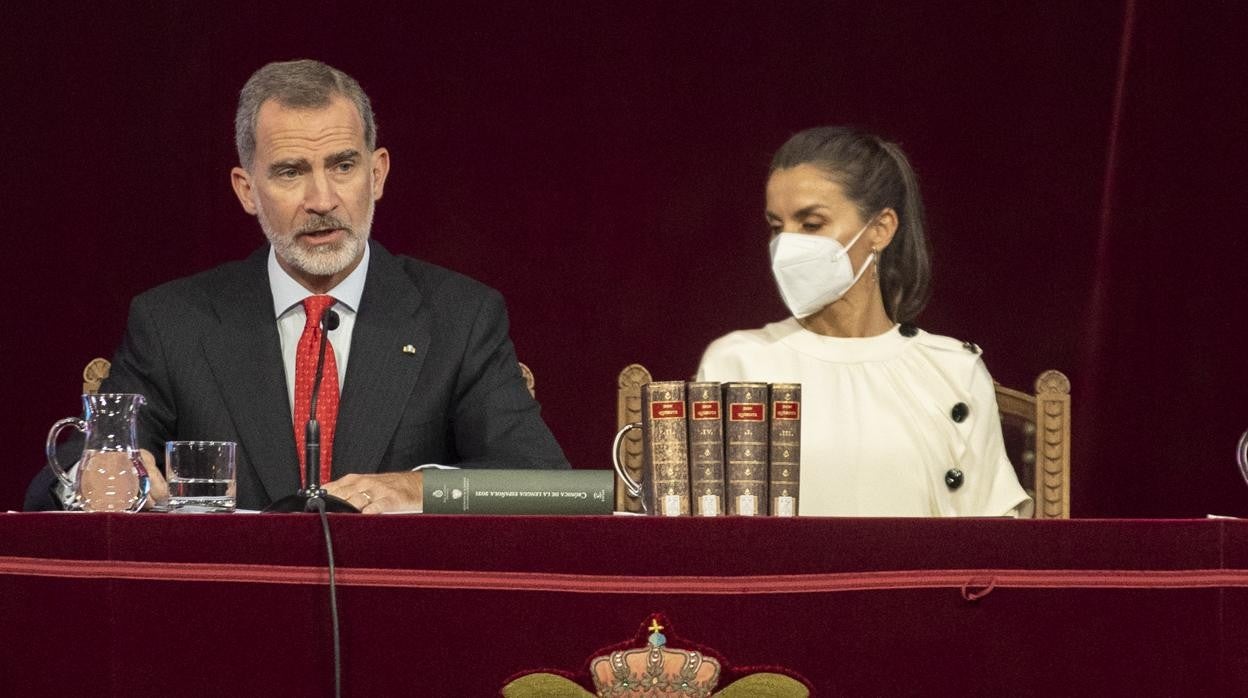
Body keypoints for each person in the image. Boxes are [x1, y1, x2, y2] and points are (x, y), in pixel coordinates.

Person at [27, 59, 568, 512]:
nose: (322, 198)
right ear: (247, 189)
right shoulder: (173, 324)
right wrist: (94, 477)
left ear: (376, 175)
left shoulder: (460, 317)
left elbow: (547, 484)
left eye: (343, 166)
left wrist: (417, 487)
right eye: (290, 172)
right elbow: (61, 485)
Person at [696, 126, 1031, 517]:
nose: (786, 246)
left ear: (880, 229)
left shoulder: (954, 370)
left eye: (811, 224)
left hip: (916, 580)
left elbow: (990, 536)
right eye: (776, 227)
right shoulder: (738, 363)